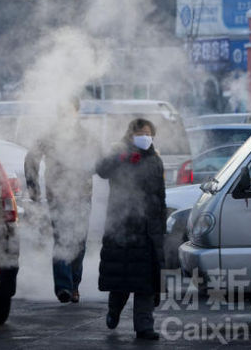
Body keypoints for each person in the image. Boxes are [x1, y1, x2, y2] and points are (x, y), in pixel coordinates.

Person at [95, 118, 166, 340]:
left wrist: (161, 224)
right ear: (131, 135)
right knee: (123, 279)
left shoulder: (156, 159)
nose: (145, 137)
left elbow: (160, 194)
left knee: (145, 282)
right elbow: (101, 170)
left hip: (148, 230)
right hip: (123, 227)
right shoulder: (119, 153)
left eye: (148, 133)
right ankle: (114, 311)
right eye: (140, 133)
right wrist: (120, 157)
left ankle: (144, 327)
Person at [24, 97, 98, 304]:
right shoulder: (49, 135)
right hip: (58, 195)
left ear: (77, 112)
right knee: (62, 239)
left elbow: (99, 158)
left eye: (70, 111)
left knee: (79, 242)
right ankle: (63, 287)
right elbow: (31, 158)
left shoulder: (86, 136)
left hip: (82, 195)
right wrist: (33, 187)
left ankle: (75, 285)